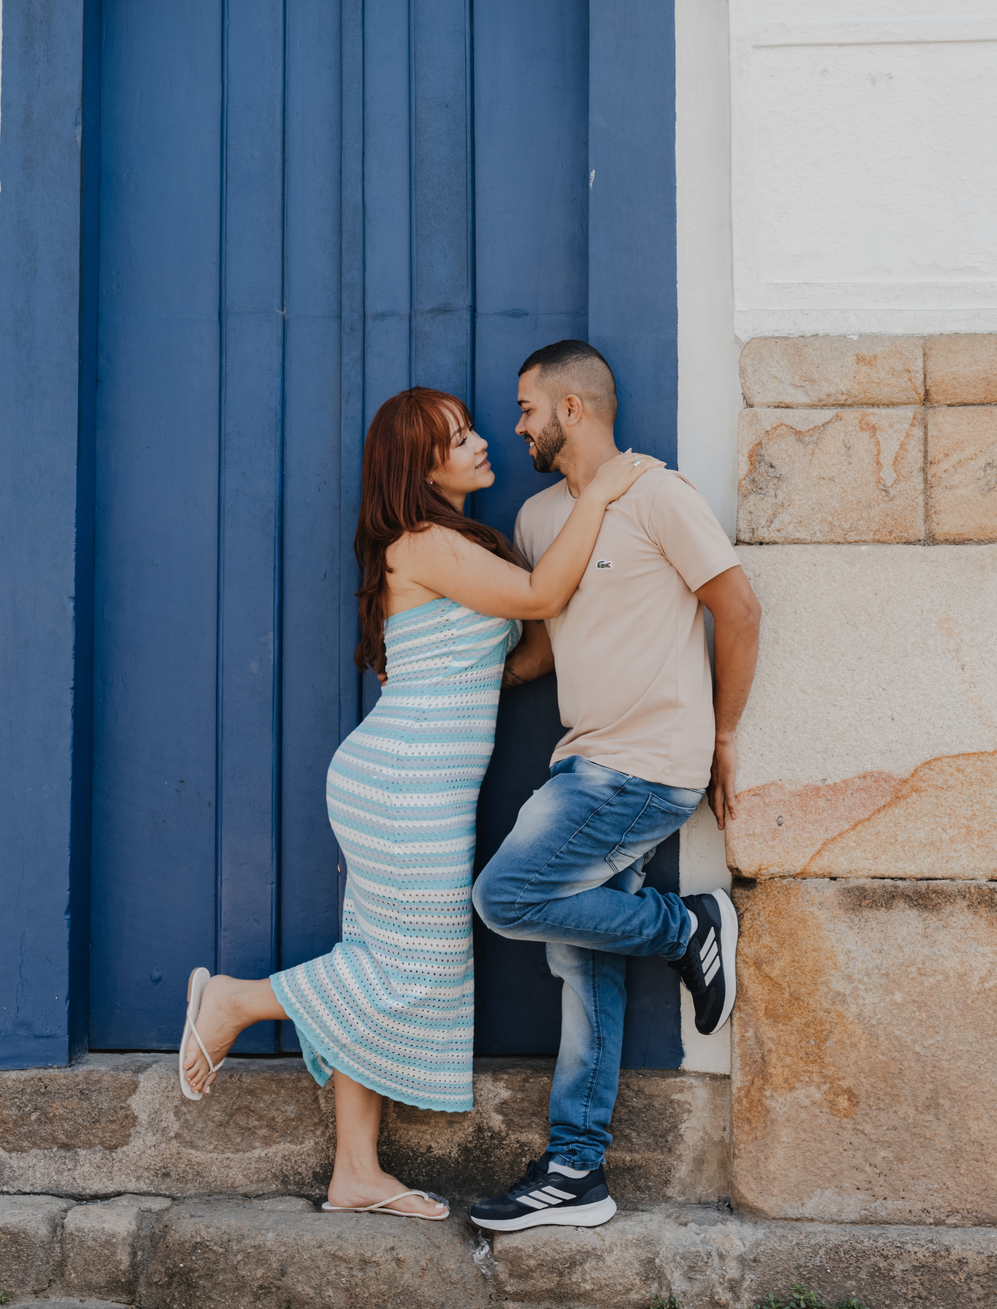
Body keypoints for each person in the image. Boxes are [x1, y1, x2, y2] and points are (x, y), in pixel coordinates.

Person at [178, 383, 660, 1221]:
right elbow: (541, 597)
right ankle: (235, 1001)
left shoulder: (453, 545)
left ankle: (355, 1173)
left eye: (472, 430)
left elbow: (521, 650)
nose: (481, 443)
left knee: (374, 958)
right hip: (407, 786)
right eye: (459, 438)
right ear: (422, 467)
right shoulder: (425, 542)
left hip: (408, 783)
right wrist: (601, 494)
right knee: (410, 970)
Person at [468, 341, 761, 1234]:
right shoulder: (537, 517)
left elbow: (738, 608)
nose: (516, 425)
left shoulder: (657, 495)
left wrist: (722, 736)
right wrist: (458, 679)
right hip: (585, 760)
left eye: (527, 408)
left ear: (573, 408)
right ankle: (576, 1171)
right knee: (581, 960)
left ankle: (687, 927)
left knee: (505, 896)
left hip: (641, 766)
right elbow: (544, 645)